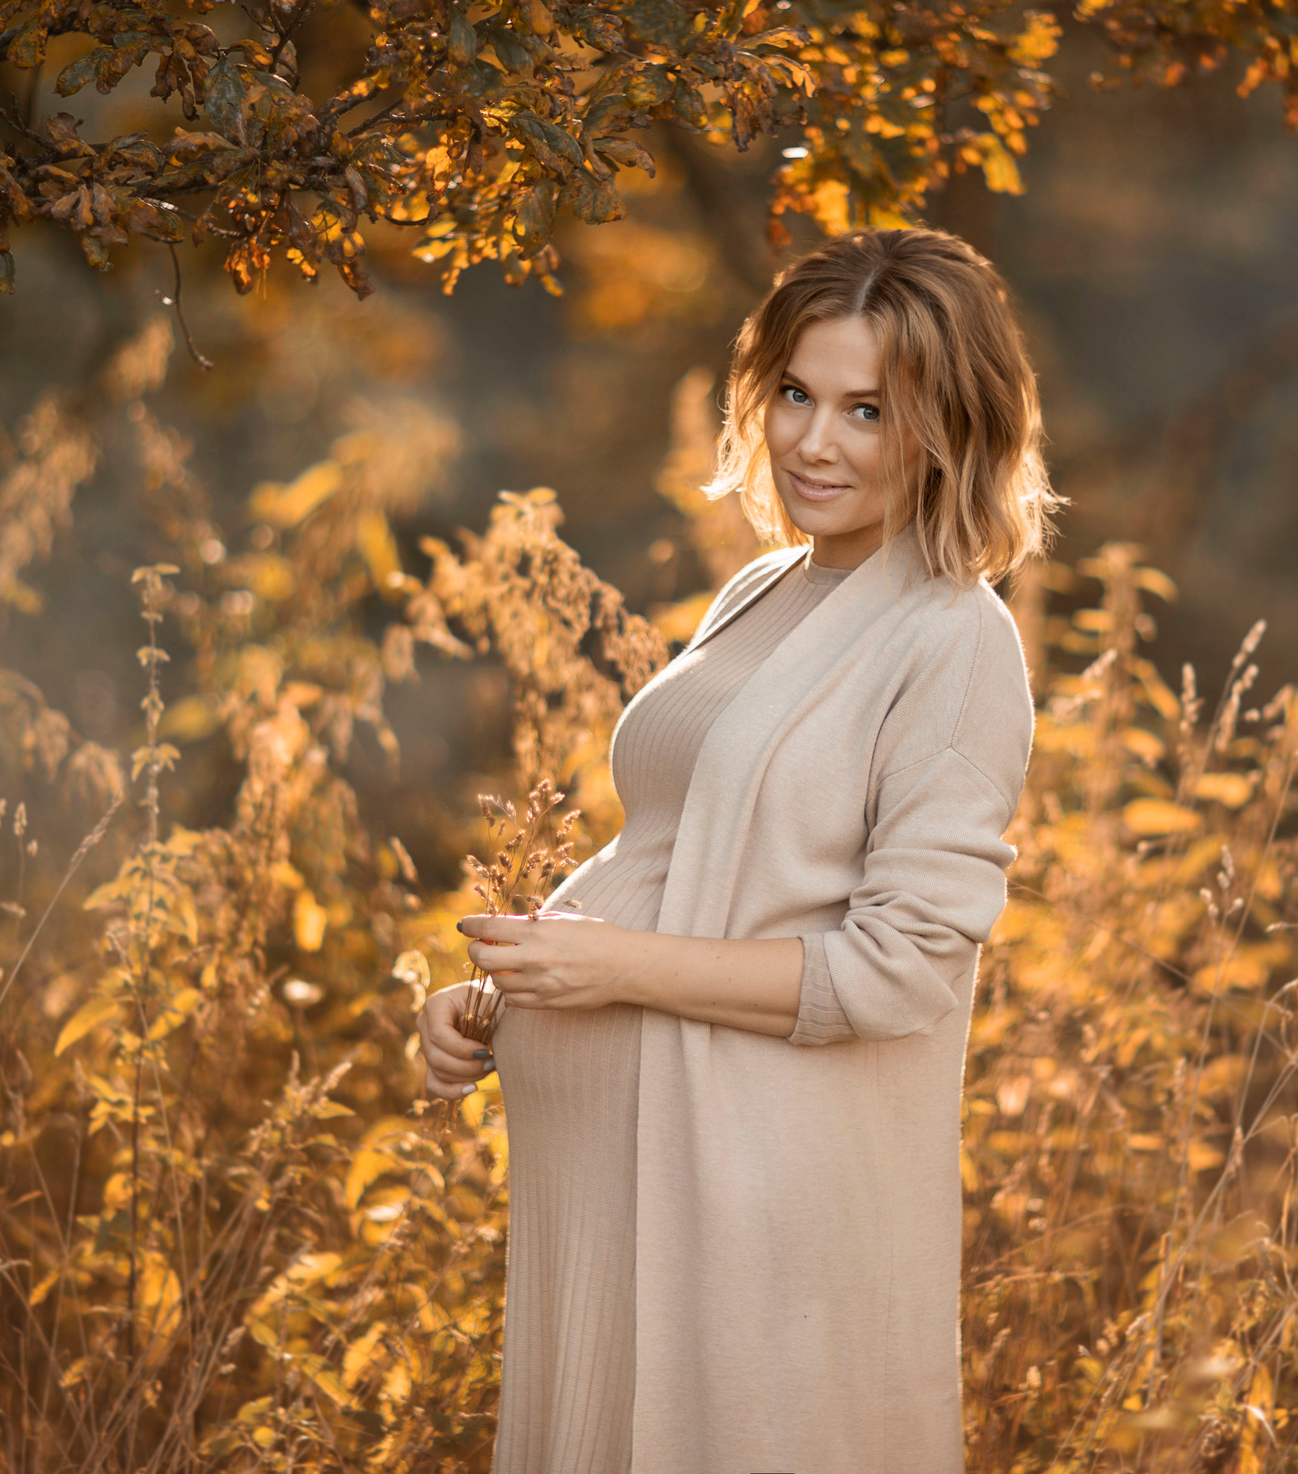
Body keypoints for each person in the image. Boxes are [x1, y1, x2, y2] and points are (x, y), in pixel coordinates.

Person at [416, 225, 1059, 1474]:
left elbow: (897, 971)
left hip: (759, 1211)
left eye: (869, 410)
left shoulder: (954, 636)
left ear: (952, 426)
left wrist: (615, 976)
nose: (816, 442)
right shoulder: (765, 588)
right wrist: (504, 1000)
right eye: (796, 396)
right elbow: (678, 861)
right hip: (609, 1203)